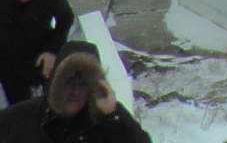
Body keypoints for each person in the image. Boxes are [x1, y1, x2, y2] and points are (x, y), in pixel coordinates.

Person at [0, 41, 150, 142]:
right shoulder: (24, 117)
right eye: (69, 82)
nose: (76, 92)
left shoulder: (107, 120)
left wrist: (112, 115)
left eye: (84, 84)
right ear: (56, 83)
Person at [0, 0, 73, 107]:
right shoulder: (3, 0)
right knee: (21, 109)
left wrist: (52, 49)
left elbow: (66, 18)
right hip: (10, 64)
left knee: (57, 100)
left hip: (41, 54)